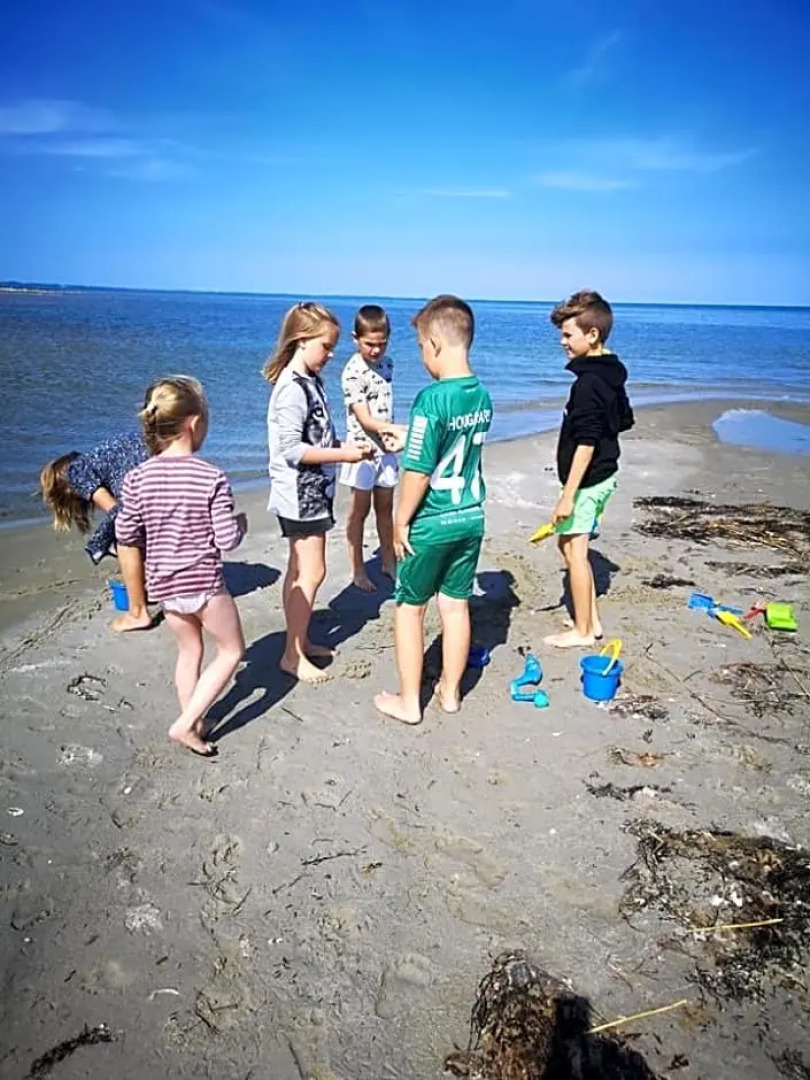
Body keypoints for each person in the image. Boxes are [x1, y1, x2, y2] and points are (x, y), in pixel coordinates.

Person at [374, 295, 493, 725]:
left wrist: (399, 520)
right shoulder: (481, 395)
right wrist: (414, 435)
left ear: (435, 344)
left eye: (422, 347)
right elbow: (453, 447)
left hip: (432, 520)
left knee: (410, 607)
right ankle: (449, 692)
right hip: (469, 515)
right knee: (456, 606)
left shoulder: (430, 399)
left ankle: (409, 702)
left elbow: (419, 472)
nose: (422, 357)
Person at [115, 376, 247, 756]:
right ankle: (186, 724)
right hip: (204, 583)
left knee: (189, 653)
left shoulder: (137, 477)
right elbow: (227, 541)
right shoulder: (210, 477)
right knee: (231, 651)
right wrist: (240, 524)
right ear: (193, 422)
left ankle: (196, 720)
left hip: (165, 586)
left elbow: (126, 533)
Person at [264, 302, 373, 684]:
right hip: (299, 493)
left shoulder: (309, 380)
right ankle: (291, 655)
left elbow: (317, 437)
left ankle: (300, 639)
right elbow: (293, 449)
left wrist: (351, 446)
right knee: (312, 570)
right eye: (325, 346)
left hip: (313, 490)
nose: (329, 355)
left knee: (300, 569)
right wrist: (345, 454)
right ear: (301, 340)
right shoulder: (292, 388)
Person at [544, 290, 634, 649]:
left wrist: (568, 496)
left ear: (592, 335)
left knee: (575, 550)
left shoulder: (589, 384)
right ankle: (590, 618)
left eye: (568, 335)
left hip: (589, 480)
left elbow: (587, 442)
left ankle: (583, 631)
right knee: (567, 543)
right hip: (604, 475)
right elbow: (624, 419)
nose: (562, 342)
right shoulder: (609, 371)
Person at [39, 432, 152, 633]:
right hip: (172, 477)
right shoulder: (103, 458)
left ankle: (137, 612)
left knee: (123, 536)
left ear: (67, 490)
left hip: (152, 487)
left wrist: (100, 546)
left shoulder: (78, 472)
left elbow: (121, 516)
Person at [340, 304, 399, 591]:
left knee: (386, 507)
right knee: (359, 511)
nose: (376, 350)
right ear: (355, 339)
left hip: (386, 451)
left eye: (381, 344)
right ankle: (357, 568)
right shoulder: (352, 372)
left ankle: (388, 561)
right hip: (360, 452)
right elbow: (364, 418)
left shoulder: (388, 364)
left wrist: (391, 435)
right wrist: (400, 431)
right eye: (369, 344)